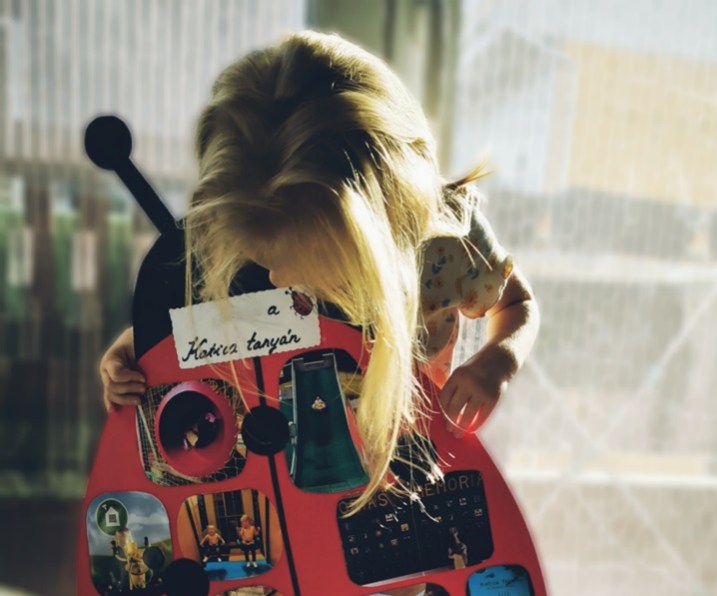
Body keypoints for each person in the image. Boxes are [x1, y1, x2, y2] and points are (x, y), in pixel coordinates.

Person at [98, 31, 538, 516]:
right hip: (300, 466)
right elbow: (221, 323)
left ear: (379, 230)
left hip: (412, 449)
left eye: (309, 269)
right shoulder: (268, 228)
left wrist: (496, 364)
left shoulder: (449, 244)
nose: (276, 281)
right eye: (263, 261)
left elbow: (517, 304)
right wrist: (133, 351)